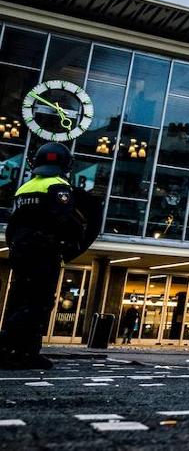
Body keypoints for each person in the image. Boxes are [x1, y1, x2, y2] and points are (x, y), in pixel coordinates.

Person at [0, 142, 102, 369]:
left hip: (20, 249)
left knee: (20, 299)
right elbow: (65, 220)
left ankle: (26, 352)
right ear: (66, 165)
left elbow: (13, 224)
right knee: (40, 301)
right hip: (43, 251)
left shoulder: (24, 188)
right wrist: (73, 243)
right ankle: (6, 345)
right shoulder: (58, 186)